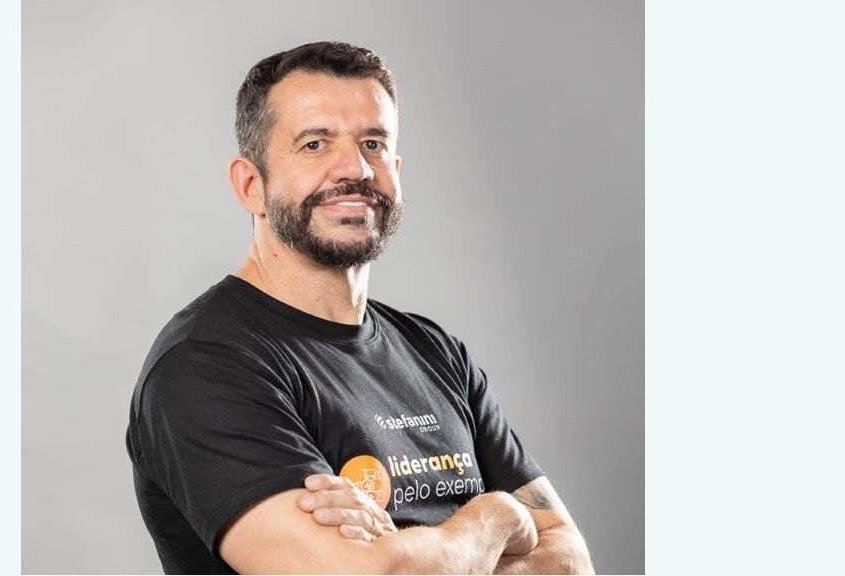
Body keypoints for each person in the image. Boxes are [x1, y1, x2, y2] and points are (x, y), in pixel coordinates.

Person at [125, 41, 594, 574]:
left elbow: (571, 560)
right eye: (315, 144)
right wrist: (497, 516)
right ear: (251, 185)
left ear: (396, 169)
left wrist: (405, 552)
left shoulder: (436, 352)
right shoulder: (206, 364)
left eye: (373, 144)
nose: (355, 168)